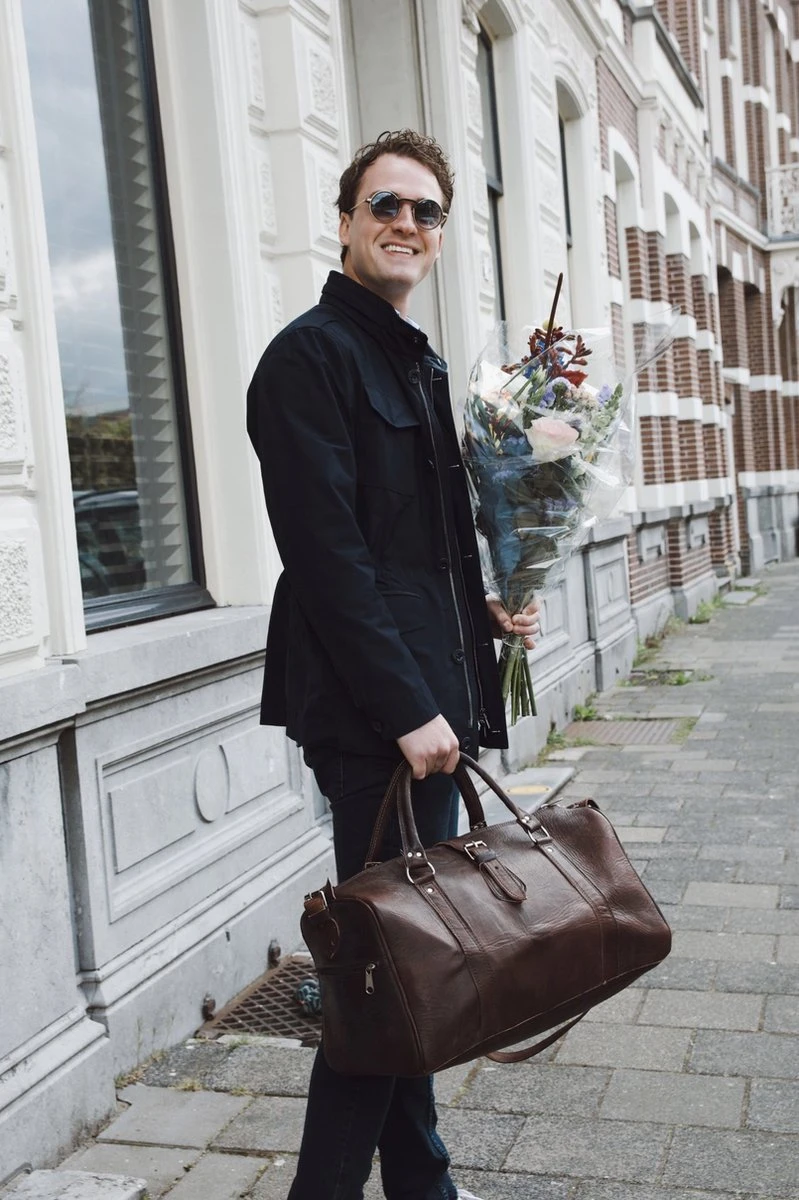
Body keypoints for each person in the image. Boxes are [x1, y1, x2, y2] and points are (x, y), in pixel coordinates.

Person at [247, 128, 539, 1200]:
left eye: (425, 211)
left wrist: (483, 609)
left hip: (430, 706)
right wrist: (409, 709)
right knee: (380, 975)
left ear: (440, 236)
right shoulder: (309, 358)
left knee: (407, 957)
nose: (405, 223)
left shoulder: (416, 360)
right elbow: (329, 559)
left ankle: (423, 1183)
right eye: (385, 204)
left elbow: (415, 548)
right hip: (380, 721)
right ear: (345, 221)